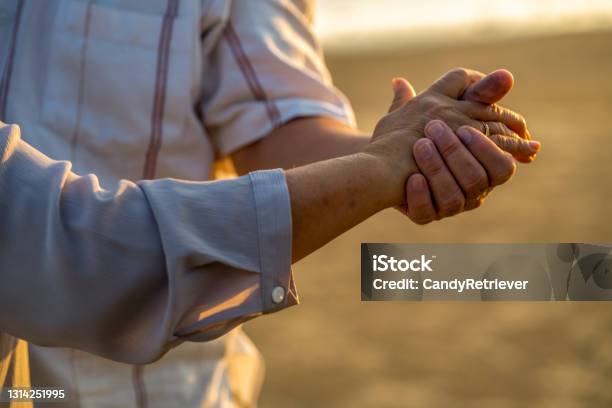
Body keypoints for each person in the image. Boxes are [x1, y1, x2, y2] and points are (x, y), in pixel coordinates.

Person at [0, 0, 540, 406]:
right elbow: (54, 231)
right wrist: (385, 163)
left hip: (165, 389)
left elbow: (276, 117)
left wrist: (396, 154)